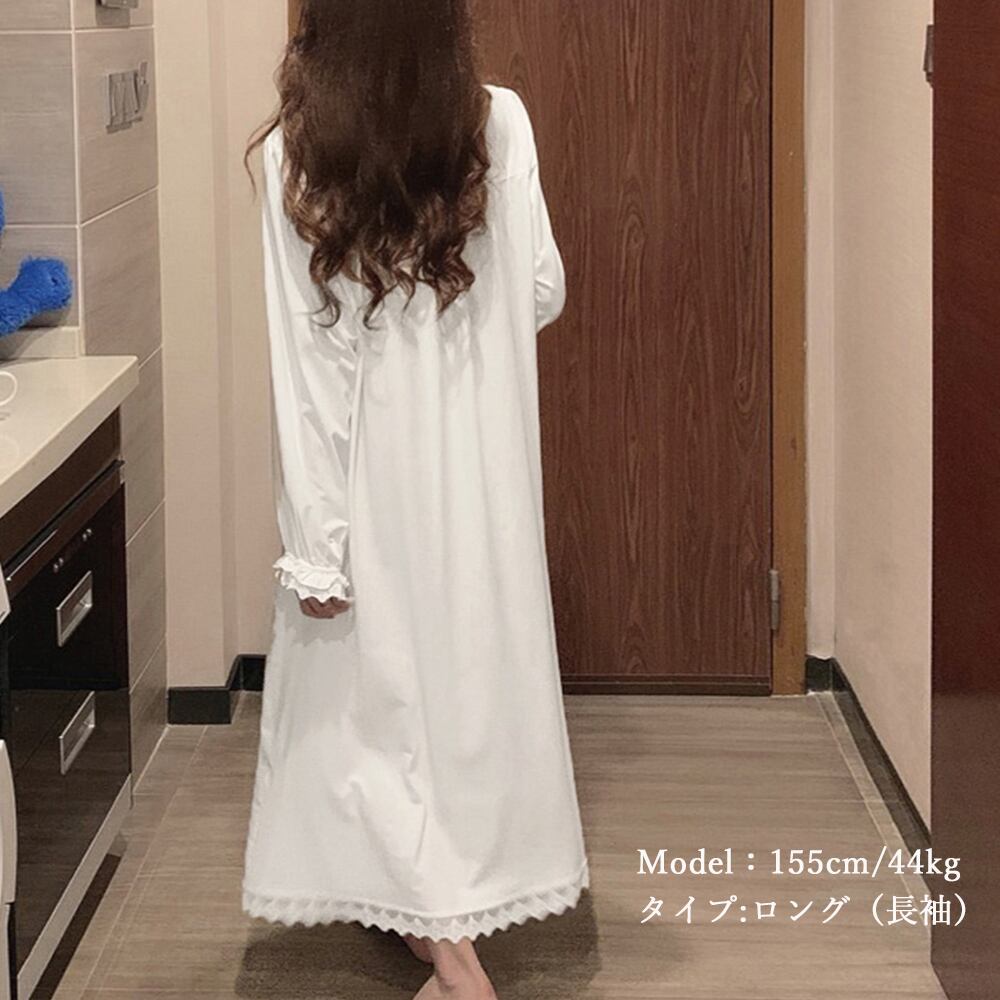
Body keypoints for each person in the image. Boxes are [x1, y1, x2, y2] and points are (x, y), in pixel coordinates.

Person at [240, 2, 589, 997]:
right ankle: (434, 918)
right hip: (480, 474)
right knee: (463, 694)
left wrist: (316, 544)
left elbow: (306, 371)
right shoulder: (499, 123)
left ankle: (453, 958)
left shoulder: (294, 155)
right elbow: (542, 290)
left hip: (366, 479)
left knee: (372, 711)